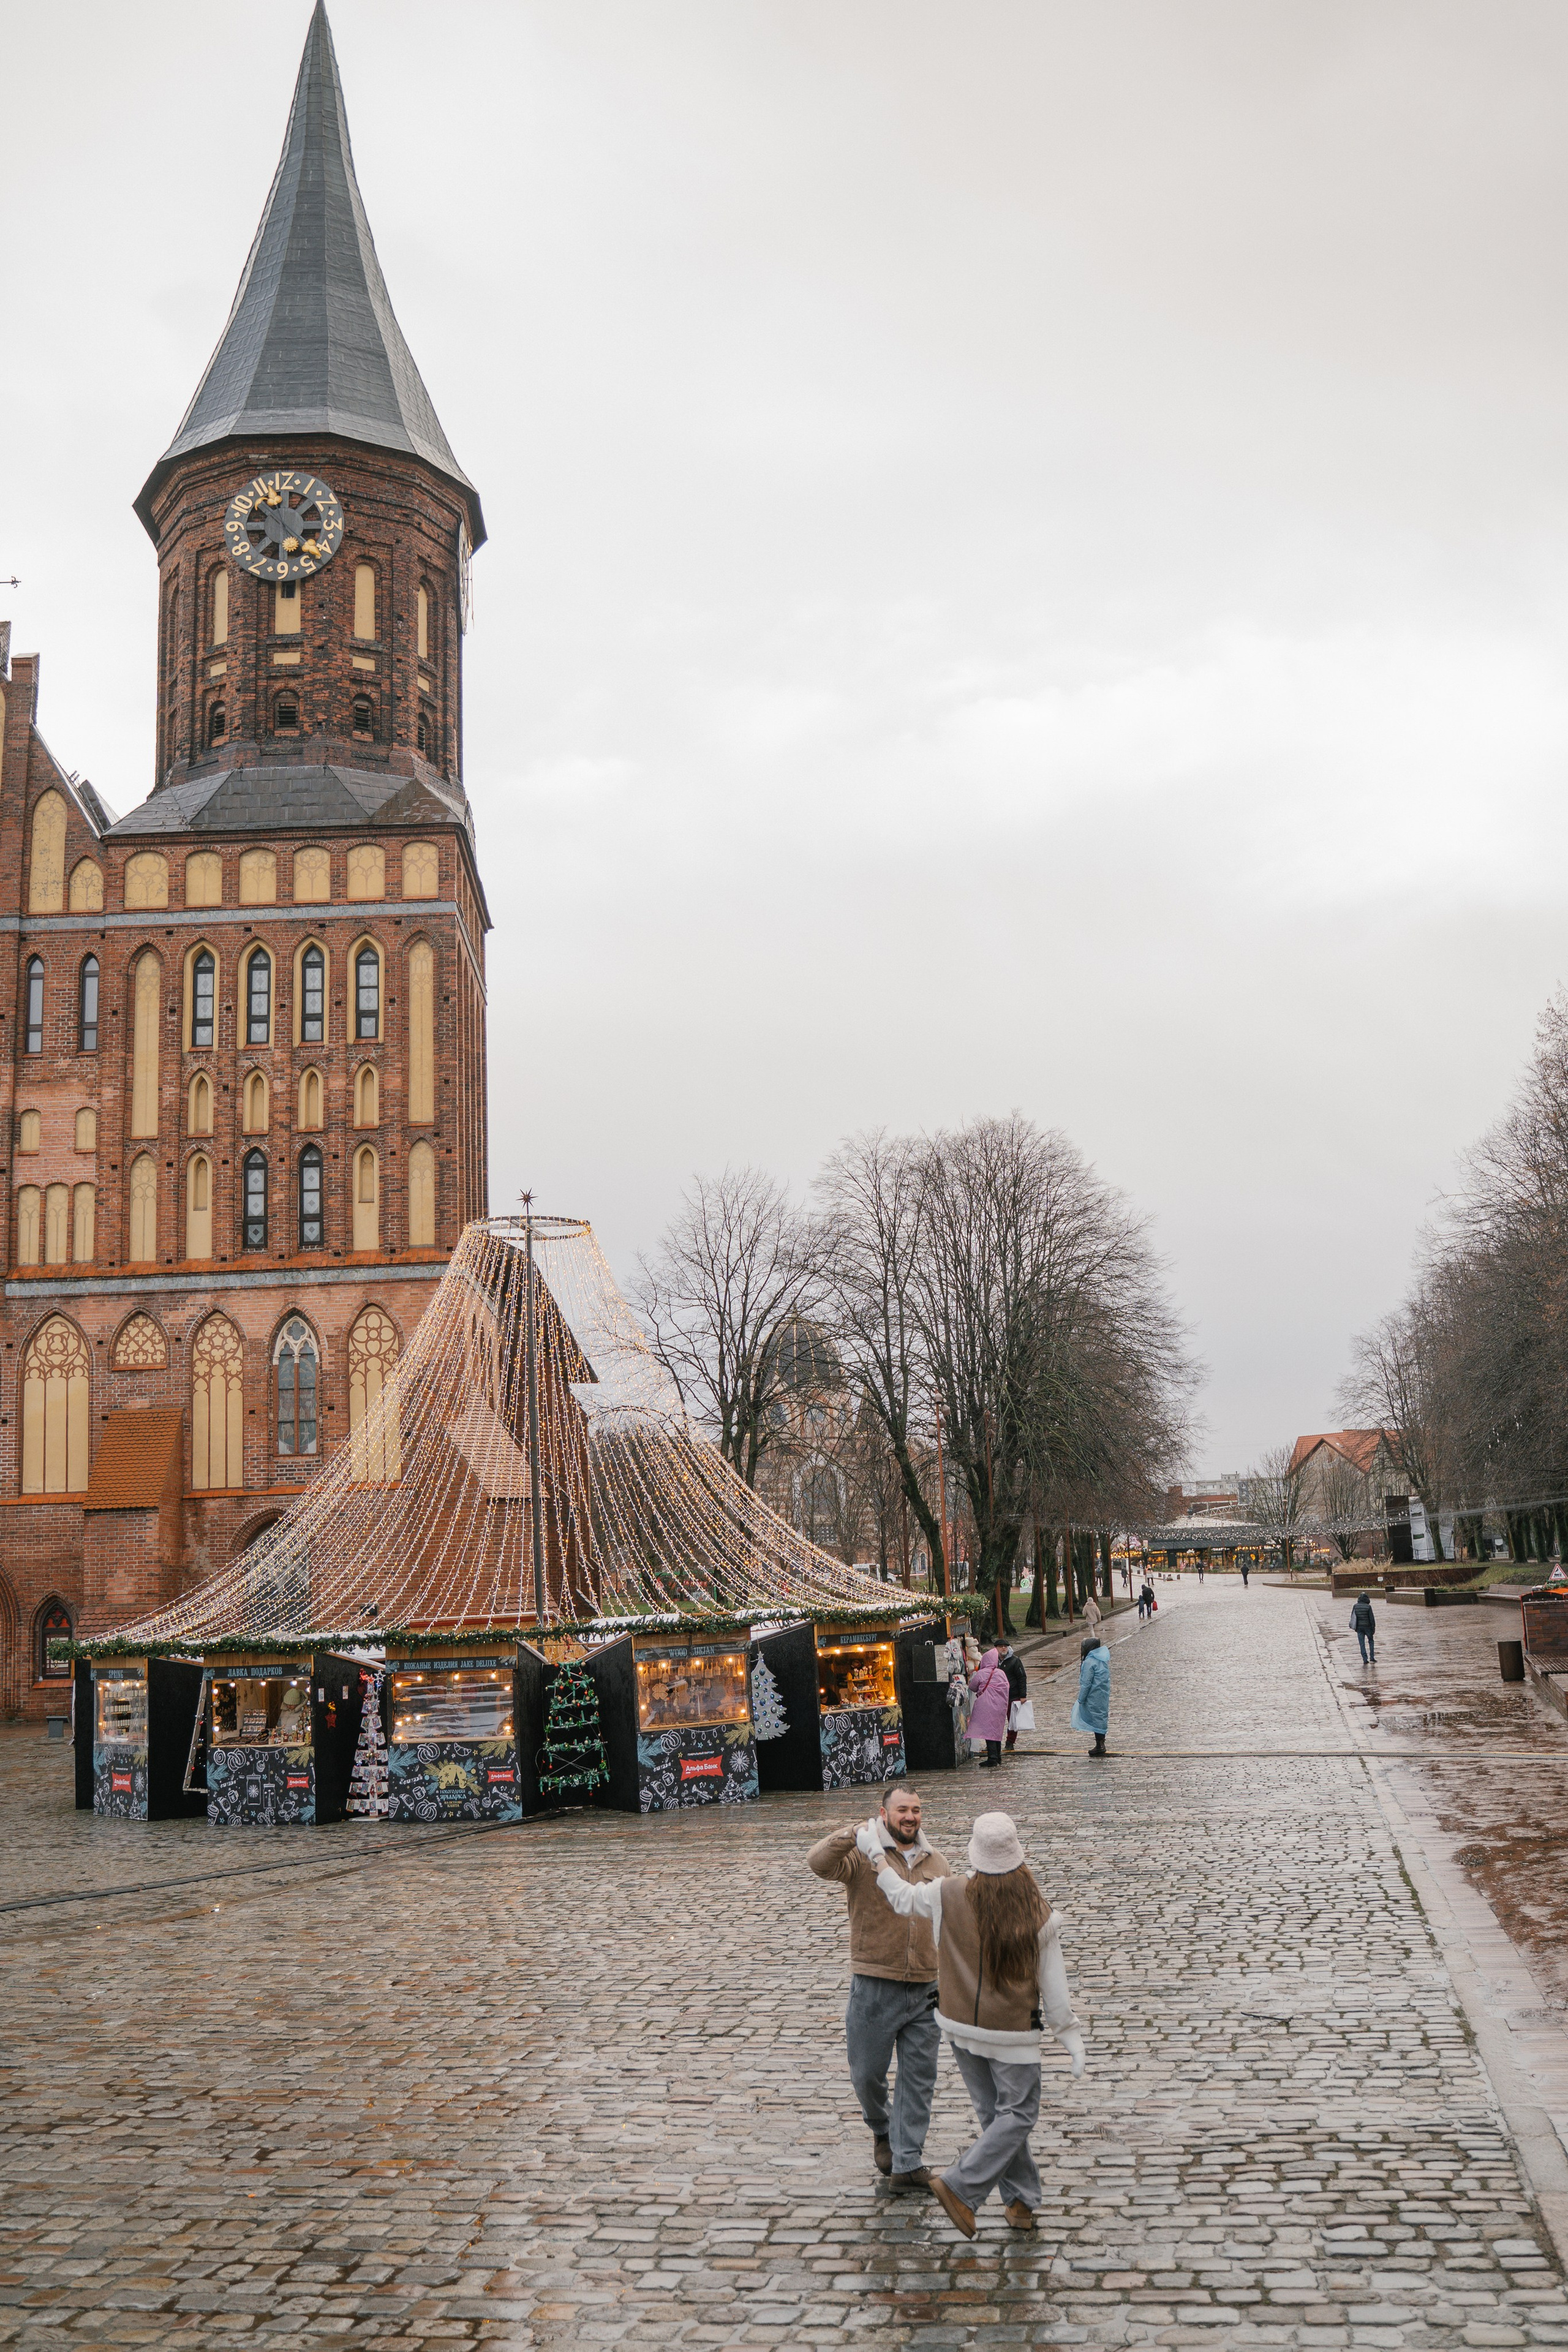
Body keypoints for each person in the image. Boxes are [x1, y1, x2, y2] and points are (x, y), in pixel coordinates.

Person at [855, 1809, 1085, 2237]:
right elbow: (1054, 1988)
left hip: (959, 2025)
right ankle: (961, 2186)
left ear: (975, 1854)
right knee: (1017, 2115)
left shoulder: (946, 1892)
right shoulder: (1037, 1911)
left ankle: (1021, 2203)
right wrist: (1069, 2034)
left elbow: (901, 1898)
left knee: (995, 2116)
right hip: (1013, 2033)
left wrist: (876, 1858)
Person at [807, 1786, 951, 2189]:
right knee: (867, 2074)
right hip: (875, 1985)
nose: (910, 1816)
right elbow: (817, 1864)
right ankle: (882, 2128)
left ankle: (908, 2162)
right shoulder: (860, 1858)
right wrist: (852, 1834)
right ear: (884, 1814)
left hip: (926, 1986)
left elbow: (952, 1918)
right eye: (902, 1809)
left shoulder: (936, 1862)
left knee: (919, 2080)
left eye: (917, 1810)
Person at [967, 1646, 1011, 1767]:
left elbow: (972, 1687)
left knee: (988, 1731)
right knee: (997, 1730)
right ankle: (998, 1756)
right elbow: (1007, 1687)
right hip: (1000, 1706)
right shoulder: (1001, 1673)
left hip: (986, 1706)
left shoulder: (982, 1674)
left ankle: (992, 1758)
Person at [1072, 1634, 1110, 1757]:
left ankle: (1100, 1745)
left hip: (1093, 1695)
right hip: (1102, 1694)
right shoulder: (1101, 1660)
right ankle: (1101, 1743)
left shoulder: (1090, 1662)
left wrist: (1081, 1699)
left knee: (1096, 1718)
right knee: (1101, 1717)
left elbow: (1086, 1683)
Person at [998, 1641, 1028, 1751]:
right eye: (1001, 1646)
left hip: (1012, 1695)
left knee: (1013, 1721)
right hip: (998, 1696)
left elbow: (1022, 1678)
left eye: (1005, 1646)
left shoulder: (1015, 1661)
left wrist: (1023, 1695)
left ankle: (1010, 1742)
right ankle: (993, 1742)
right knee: (995, 1721)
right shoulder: (993, 1661)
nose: (1003, 1648)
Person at [1351, 1591, 1377, 1666]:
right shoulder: (1368, 1607)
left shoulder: (1355, 1606)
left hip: (1359, 1628)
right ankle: (1372, 1657)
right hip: (1368, 1627)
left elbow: (1353, 1617)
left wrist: (1355, 1627)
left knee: (1362, 1643)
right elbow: (1372, 1619)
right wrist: (1373, 1628)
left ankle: (1365, 1659)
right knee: (1371, 1641)